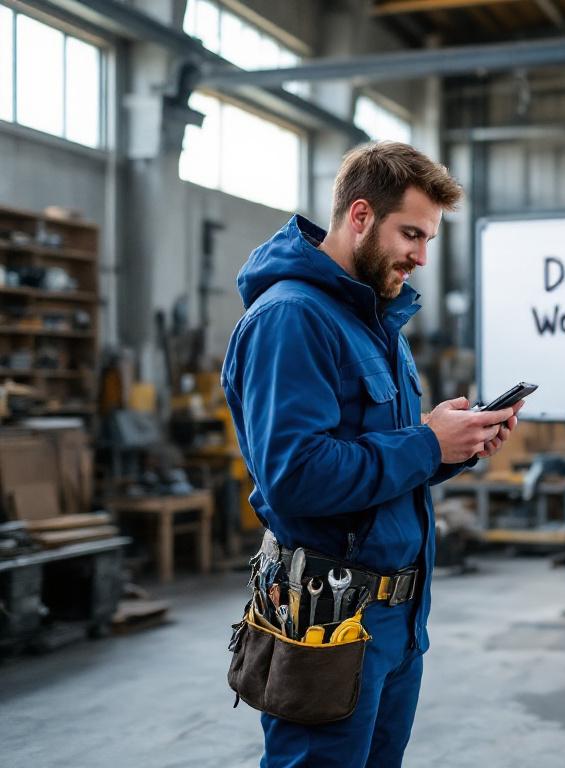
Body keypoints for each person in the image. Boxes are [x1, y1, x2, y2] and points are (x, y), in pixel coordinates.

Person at [221, 141, 523, 767]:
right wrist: (425, 441)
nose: (419, 255)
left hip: (396, 620)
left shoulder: (372, 322)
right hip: (328, 622)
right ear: (359, 216)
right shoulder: (292, 319)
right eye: (410, 233)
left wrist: (452, 449)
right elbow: (296, 477)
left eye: (428, 239)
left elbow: (376, 466)